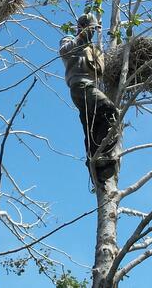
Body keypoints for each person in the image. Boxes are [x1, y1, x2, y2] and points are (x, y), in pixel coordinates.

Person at [59, 13, 119, 184]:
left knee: (92, 128)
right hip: (80, 86)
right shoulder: (70, 40)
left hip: (90, 89)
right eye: (92, 29)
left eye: (95, 30)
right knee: (111, 110)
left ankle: (96, 169)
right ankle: (103, 153)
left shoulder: (95, 50)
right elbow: (64, 51)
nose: (93, 32)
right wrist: (83, 35)